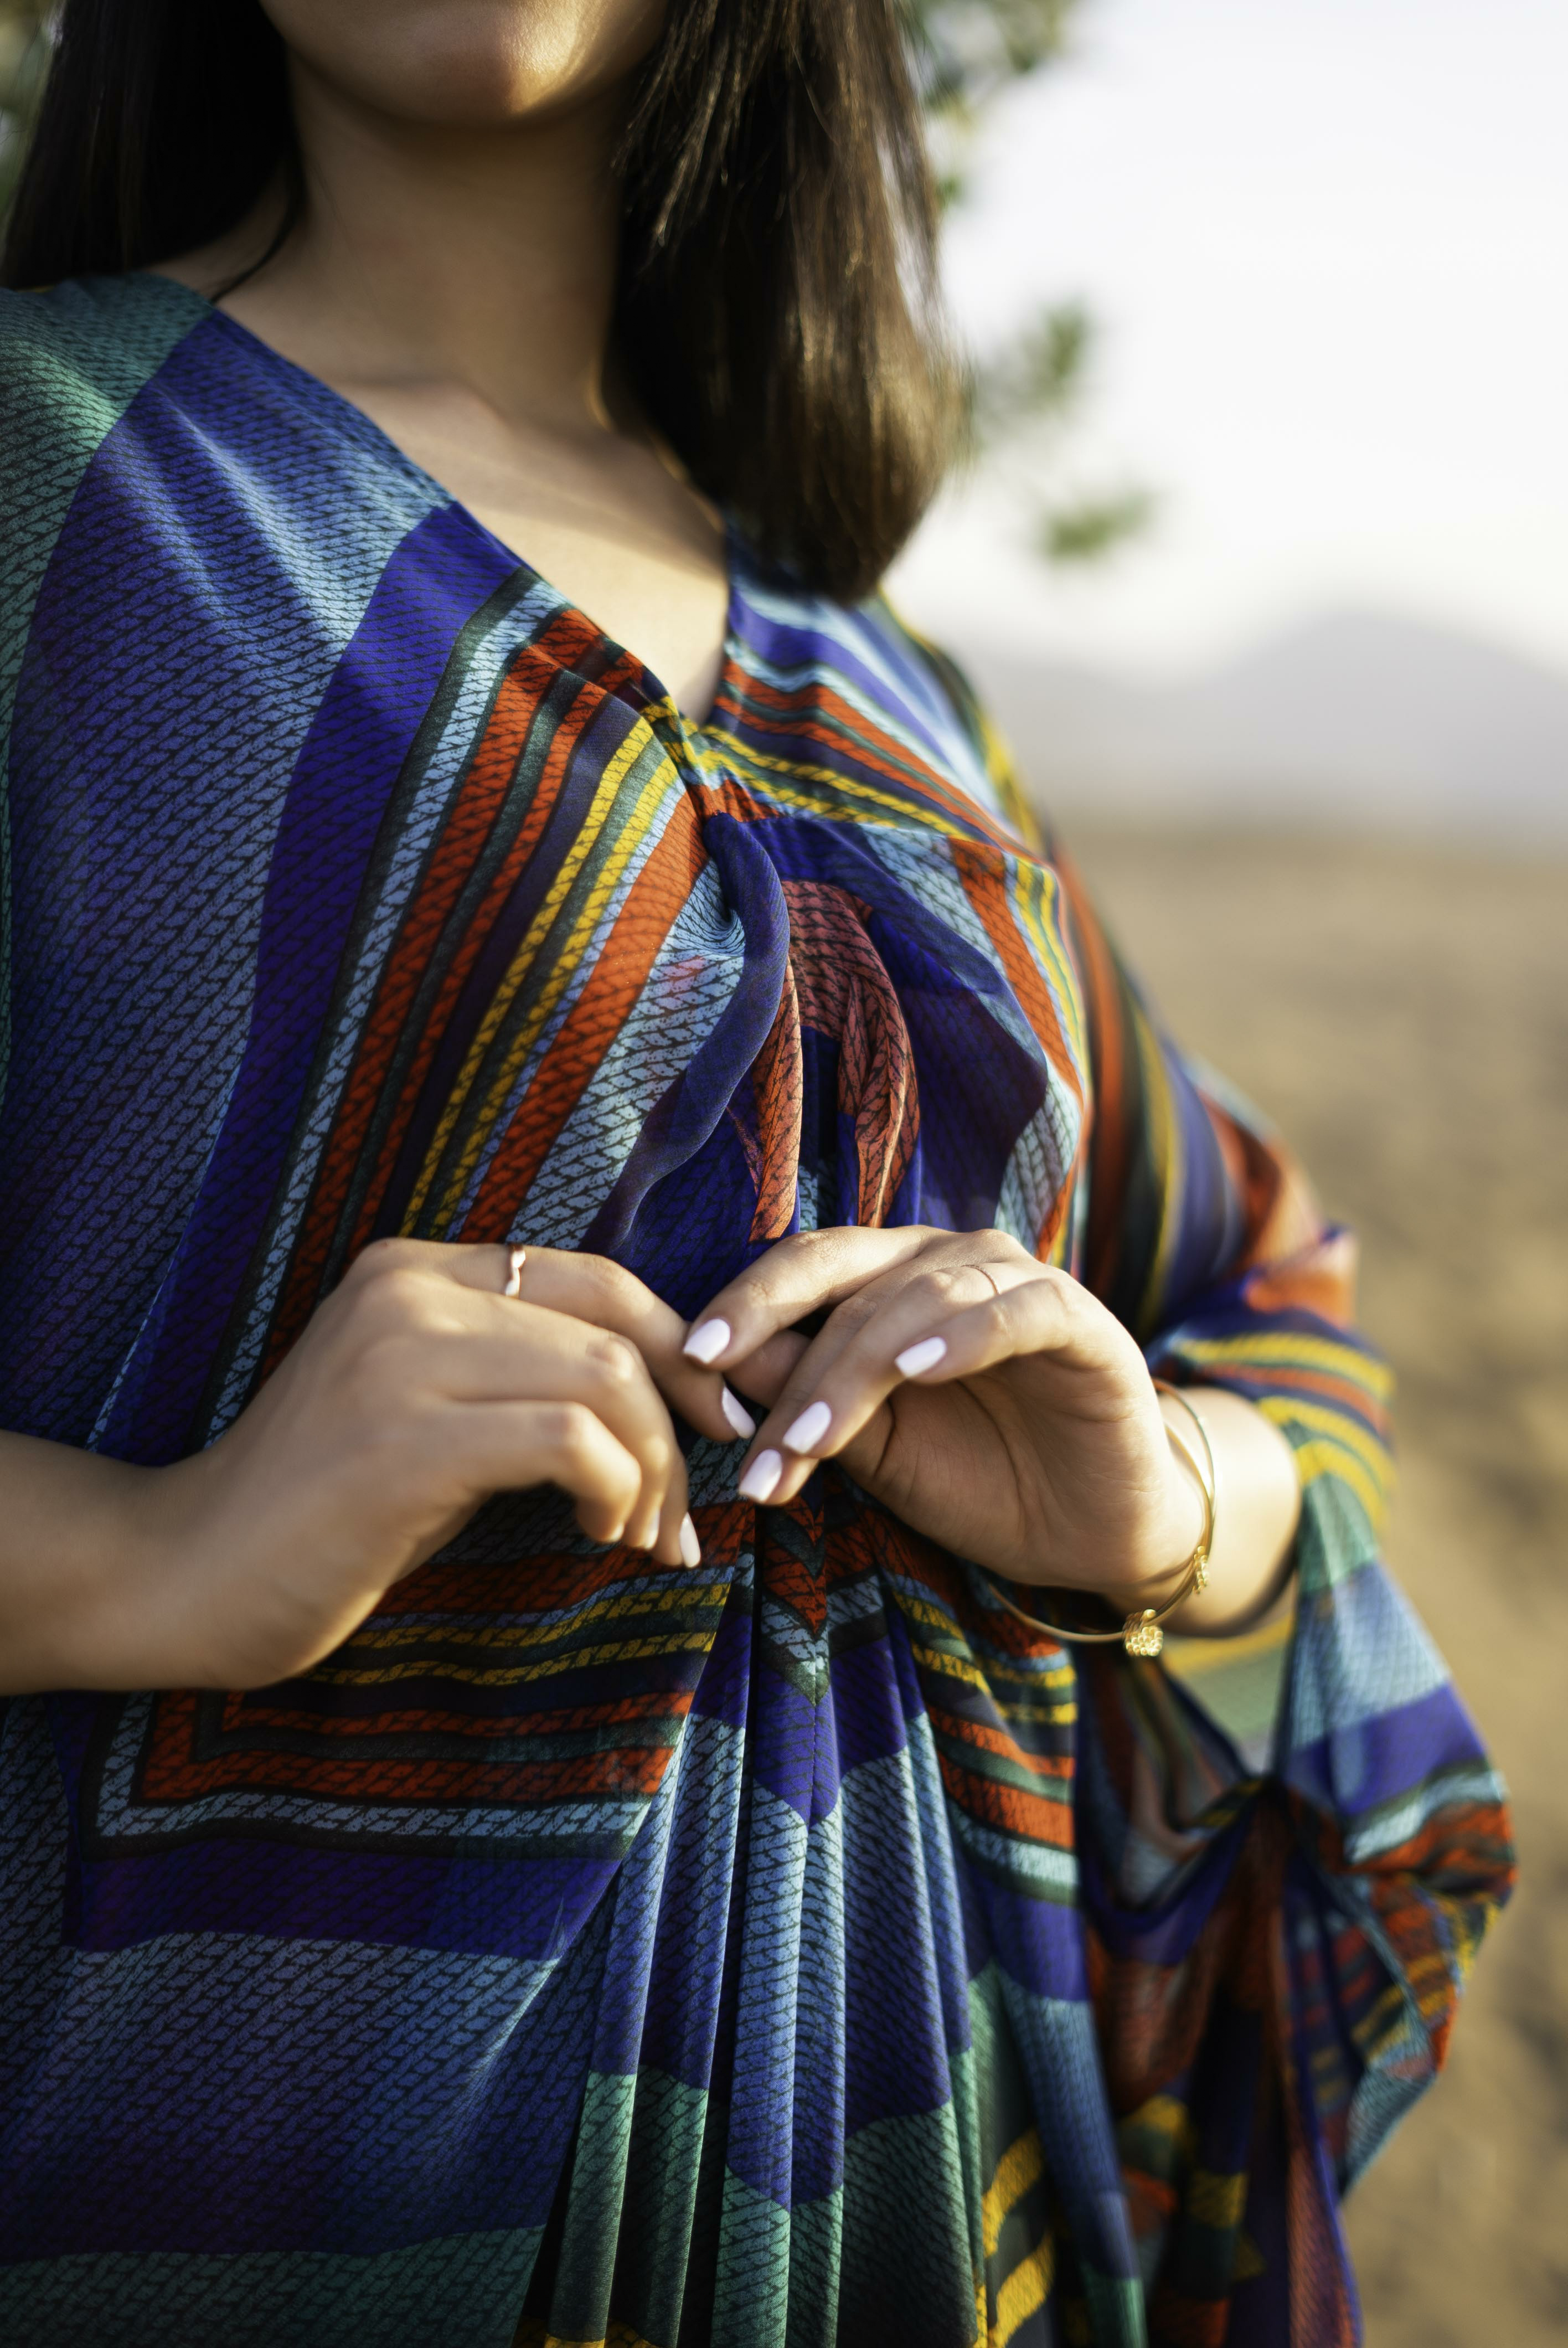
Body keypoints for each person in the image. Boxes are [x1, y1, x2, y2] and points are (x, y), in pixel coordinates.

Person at [0, 3, 1514, 2344]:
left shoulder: (898, 689)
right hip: (227, 2200)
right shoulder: (45, 476)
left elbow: (1268, 1291)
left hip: (943, 2193)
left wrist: (1166, 1509)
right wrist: (140, 1557)